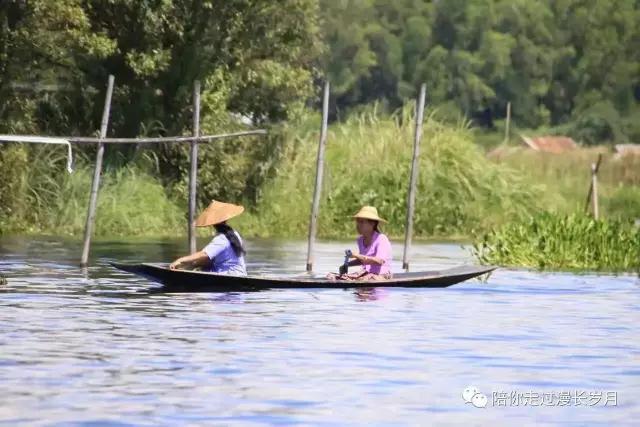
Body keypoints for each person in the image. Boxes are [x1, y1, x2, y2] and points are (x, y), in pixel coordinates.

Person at [169, 200, 247, 276]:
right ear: (225, 220)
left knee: (204, 262)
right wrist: (189, 266)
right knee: (205, 263)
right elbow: (207, 259)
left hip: (229, 275)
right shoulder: (235, 234)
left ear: (213, 223)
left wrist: (180, 260)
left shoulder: (221, 239)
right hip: (240, 274)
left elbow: (204, 254)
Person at [327, 205, 393, 281]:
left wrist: (357, 255)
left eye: (362, 222)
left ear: (372, 224)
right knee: (331, 276)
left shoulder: (381, 239)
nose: (358, 225)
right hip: (367, 273)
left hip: (382, 275)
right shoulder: (360, 240)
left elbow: (379, 261)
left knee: (364, 279)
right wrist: (347, 264)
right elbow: (363, 260)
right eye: (358, 222)